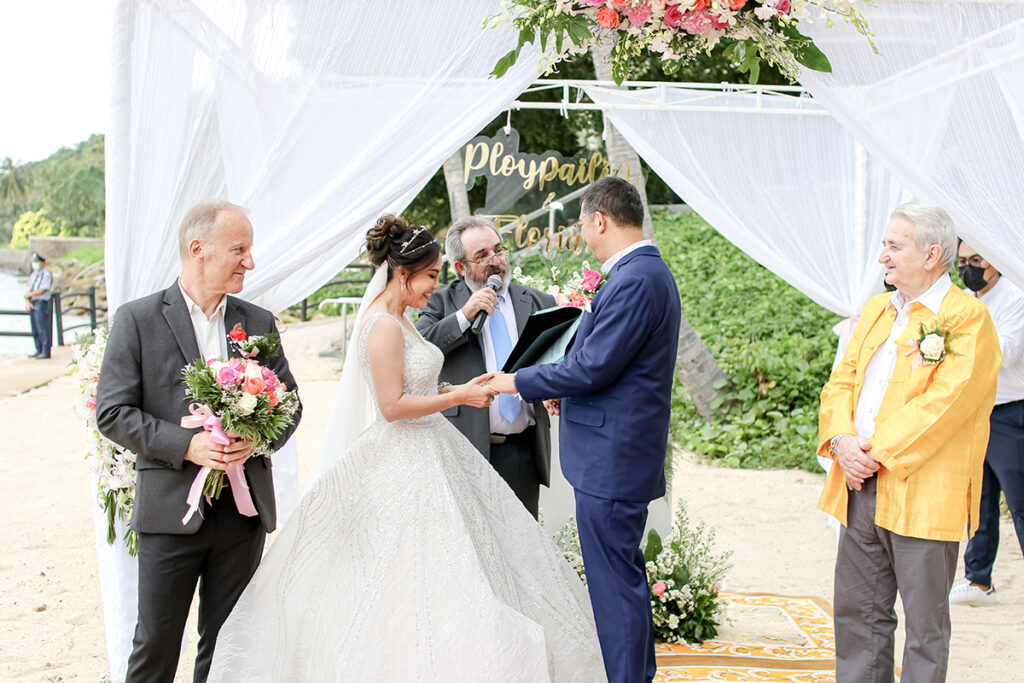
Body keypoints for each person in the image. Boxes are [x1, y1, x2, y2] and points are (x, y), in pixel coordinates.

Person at [207, 215, 605, 682]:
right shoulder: (383, 325)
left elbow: (418, 384)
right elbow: (392, 406)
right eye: (431, 276)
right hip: (403, 460)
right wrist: (459, 397)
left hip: (433, 450)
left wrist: (458, 387)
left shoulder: (400, 319)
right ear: (402, 273)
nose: (435, 287)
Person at [95, 200, 302, 683]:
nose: (250, 261)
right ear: (198, 249)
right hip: (170, 511)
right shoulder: (138, 319)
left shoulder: (258, 322)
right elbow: (113, 412)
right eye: (239, 249)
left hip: (243, 515)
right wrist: (186, 446)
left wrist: (255, 439)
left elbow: (291, 405)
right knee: (156, 645)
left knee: (229, 647)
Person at [490, 176, 682, 683]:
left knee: (614, 586)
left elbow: (593, 367)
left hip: (612, 459)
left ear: (600, 220)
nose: (583, 234)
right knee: (621, 579)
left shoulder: (635, 279)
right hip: (614, 452)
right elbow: (610, 368)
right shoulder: (642, 273)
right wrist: (565, 391)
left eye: (582, 224)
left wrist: (517, 381)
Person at [816, 203, 1001, 682]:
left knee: (924, 629)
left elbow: (947, 403)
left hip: (923, 491)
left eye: (894, 246)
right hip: (858, 484)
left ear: (932, 255)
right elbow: (840, 382)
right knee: (858, 615)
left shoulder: (967, 318)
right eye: (884, 245)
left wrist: (870, 453)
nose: (882, 256)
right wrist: (841, 441)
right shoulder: (877, 310)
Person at [415, 216, 556, 518]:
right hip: (465, 446)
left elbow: (556, 362)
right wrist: (465, 316)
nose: (495, 260)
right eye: (482, 256)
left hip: (523, 451)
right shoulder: (442, 302)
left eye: (498, 250)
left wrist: (553, 392)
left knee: (522, 540)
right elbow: (419, 349)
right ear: (460, 267)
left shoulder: (538, 302)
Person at [947, 241, 1024, 605]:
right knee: (978, 499)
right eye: (962, 261)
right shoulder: (963, 300)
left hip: (1010, 412)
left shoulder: (1015, 297)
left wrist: (961, 341)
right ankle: (978, 580)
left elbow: (1006, 352)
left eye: (976, 260)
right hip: (974, 411)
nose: (969, 268)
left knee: (1020, 500)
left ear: (994, 260)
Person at [24, 251, 53, 359]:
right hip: (33, 302)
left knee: (42, 327)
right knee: (35, 328)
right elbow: (29, 289)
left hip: (41, 302)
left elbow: (43, 289)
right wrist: (28, 301)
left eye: (37, 262)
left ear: (42, 263)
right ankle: (39, 349)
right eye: (34, 261)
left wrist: (30, 295)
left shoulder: (46, 275)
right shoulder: (33, 275)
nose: (35, 263)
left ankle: (45, 351)